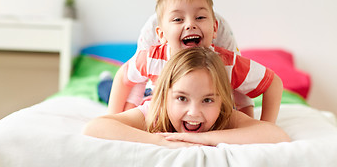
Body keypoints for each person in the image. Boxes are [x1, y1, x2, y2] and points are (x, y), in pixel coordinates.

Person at [109, 0, 255, 117]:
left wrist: (246, 112)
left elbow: (235, 70)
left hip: (205, 93)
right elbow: (137, 75)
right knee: (110, 93)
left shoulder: (218, 25)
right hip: (162, 91)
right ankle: (105, 82)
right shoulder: (152, 26)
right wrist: (126, 113)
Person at [109, 0, 283, 123]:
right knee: (107, 89)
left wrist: (266, 124)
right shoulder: (152, 59)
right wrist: (113, 116)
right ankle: (104, 81)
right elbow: (123, 77)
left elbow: (273, 83)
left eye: (200, 17)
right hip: (153, 100)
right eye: (178, 19)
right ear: (161, 35)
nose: (190, 25)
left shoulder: (227, 64)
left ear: (215, 29)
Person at [84, 47, 290, 147]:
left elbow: (277, 135)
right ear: (166, 97)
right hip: (149, 93)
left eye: (208, 100)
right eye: (182, 98)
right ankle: (104, 78)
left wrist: (204, 137)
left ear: (222, 101)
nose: (194, 112)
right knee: (107, 90)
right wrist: (161, 142)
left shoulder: (223, 115)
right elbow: (94, 127)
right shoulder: (155, 112)